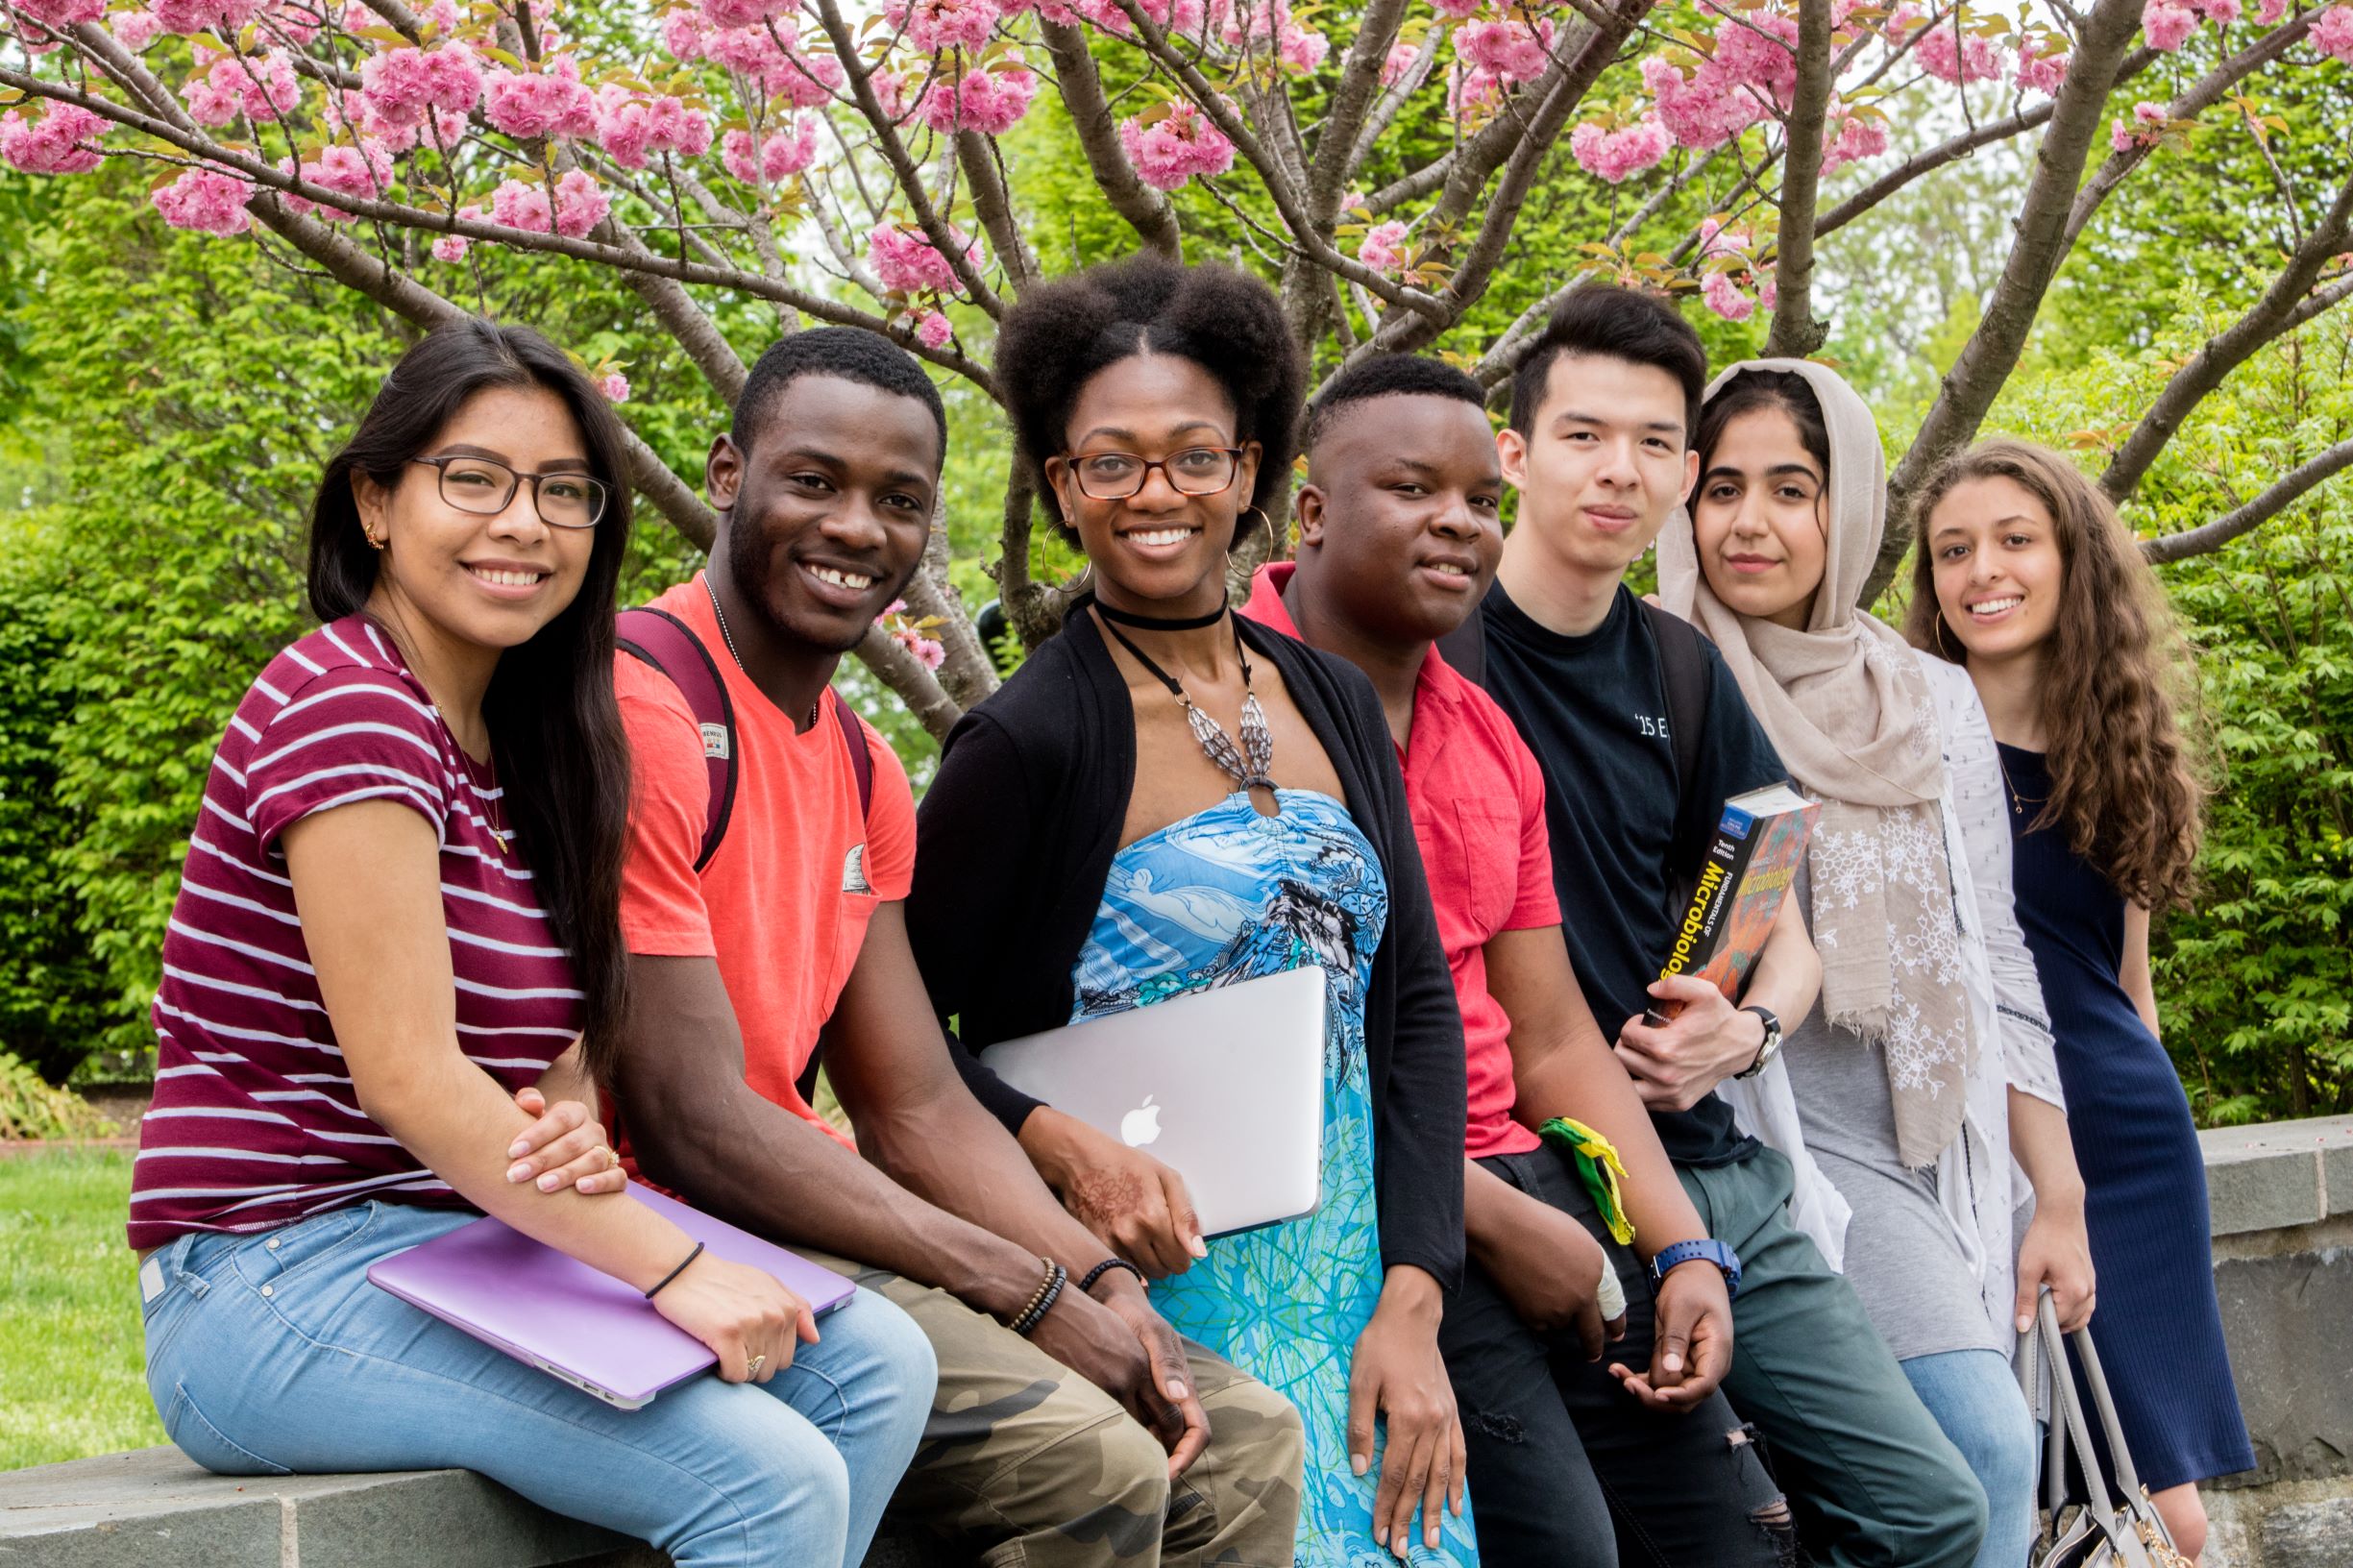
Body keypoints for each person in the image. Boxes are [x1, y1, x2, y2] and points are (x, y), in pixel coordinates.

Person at [127, 321, 936, 1568]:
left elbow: (547, 1049)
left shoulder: (522, 738)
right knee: (764, 1483)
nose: (523, 523)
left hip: (452, 1242)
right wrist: (674, 1270)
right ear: (377, 503)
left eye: (563, 492)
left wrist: (563, 1113)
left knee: (874, 1366)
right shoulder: (346, 704)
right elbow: (409, 1077)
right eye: (475, 479)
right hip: (266, 1280)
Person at [601, 325, 1302, 1568]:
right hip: (654, 1237)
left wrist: (1095, 1282)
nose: (858, 529)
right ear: (726, 473)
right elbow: (688, 1121)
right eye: (813, 482)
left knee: (1243, 1438)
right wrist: (1023, 1290)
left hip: (798, 1214)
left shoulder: (864, 765)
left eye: (899, 501)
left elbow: (915, 1098)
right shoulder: (642, 708)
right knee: (1087, 1464)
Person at [906, 257, 1476, 1567]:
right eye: (1113, 463)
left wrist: (1415, 1294)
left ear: (1250, 470)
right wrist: (1063, 1148)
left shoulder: (1331, 700)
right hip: (1158, 1290)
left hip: (1361, 1293)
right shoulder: (1030, 742)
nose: (1155, 493)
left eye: (1192, 456)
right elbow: (892, 1043)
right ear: (1063, 488)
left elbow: (1416, 1010)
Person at [1230, 352, 1798, 1566]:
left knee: (1734, 1542)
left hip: (1538, 1182)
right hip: (1366, 1215)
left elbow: (1548, 1037)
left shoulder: (1485, 732)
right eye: (1411, 488)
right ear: (1311, 512)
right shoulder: (1225, 723)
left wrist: (1678, 1244)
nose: (1458, 523)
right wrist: (1486, 1220)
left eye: (1481, 501)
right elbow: (1262, 1073)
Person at [1456, 284, 1991, 1567]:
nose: (1617, 472)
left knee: (1934, 1511)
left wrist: (1741, 1030)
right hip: (1536, 1170)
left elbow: (1776, 918)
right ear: (1515, 454)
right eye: (1583, 436)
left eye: (1652, 445)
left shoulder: (1680, 671)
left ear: (1681, 473)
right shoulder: (1441, 655)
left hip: (1709, 1161)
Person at [1657, 362, 2098, 1568]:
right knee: (1980, 1460)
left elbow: (1992, 957)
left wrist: (2049, 1194)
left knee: (1985, 1480)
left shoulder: (1928, 696)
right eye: (1724, 487)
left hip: (1939, 1145)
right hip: (1776, 1138)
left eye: (1792, 489)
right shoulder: (1663, 673)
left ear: (1844, 508)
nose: (1752, 523)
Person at [1910, 438, 2251, 1560]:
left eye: (2015, 541)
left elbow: (2126, 983)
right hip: (1999, 1151)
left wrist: (2148, 1140)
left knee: (2150, 1517)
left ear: (2071, 561)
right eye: (1952, 550)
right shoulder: (1905, 744)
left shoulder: (2120, 745)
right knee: (2137, 1519)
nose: (1981, 571)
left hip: (2131, 1153)